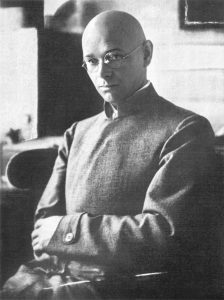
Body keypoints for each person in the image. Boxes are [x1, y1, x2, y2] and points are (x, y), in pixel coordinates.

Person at [2, 10, 221, 300]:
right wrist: (58, 239)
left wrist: (66, 232)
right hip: (48, 278)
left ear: (146, 54)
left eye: (114, 56)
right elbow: (42, 229)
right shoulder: (77, 132)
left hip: (122, 287)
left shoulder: (184, 130)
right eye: (91, 61)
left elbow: (162, 235)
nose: (102, 72)